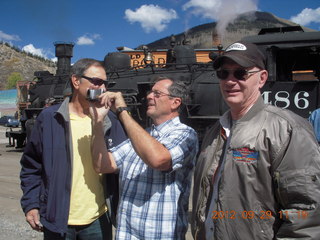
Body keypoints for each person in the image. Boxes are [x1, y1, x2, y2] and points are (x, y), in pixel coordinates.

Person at [191, 41, 320, 239]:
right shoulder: (214, 131)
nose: (230, 81)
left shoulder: (288, 128)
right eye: (223, 73)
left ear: (262, 79)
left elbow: (306, 215)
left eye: (241, 73)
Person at [20, 58, 127, 240]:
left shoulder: (111, 120)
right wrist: (31, 204)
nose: (102, 87)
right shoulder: (50, 118)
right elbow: (31, 166)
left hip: (98, 220)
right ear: (76, 81)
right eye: (96, 81)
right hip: (57, 218)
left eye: (105, 83)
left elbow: (126, 163)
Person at [90, 76, 199, 239]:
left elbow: (158, 159)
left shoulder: (186, 134)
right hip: (127, 234)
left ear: (175, 103)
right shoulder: (143, 136)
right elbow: (104, 165)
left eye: (157, 93)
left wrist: (122, 112)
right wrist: (98, 123)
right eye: (150, 92)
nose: (149, 96)